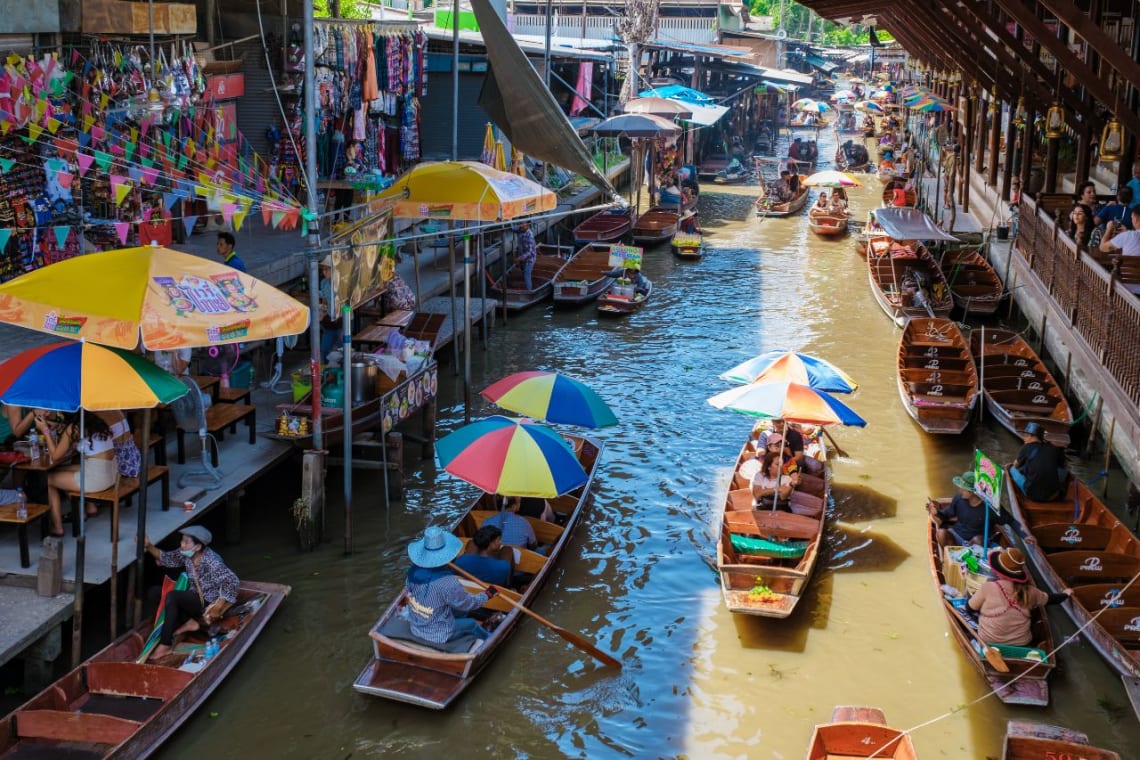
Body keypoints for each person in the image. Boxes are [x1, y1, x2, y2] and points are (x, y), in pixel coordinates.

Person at [143, 526, 239, 661]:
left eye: (186, 542)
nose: (182, 545)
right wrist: (148, 546)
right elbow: (167, 558)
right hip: (195, 597)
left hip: (207, 602)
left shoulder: (212, 561)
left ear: (198, 547)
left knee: (173, 596)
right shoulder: (186, 554)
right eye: (182, 541)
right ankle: (190, 622)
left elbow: (232, 581)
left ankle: (165, 645)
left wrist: (218, 606)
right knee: (154, 592)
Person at [404, 526, 495, 645]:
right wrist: (487, 595)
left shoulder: (412, 571)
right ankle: (490, 638)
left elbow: (409, 591)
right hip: (439, 634)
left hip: (416, 627)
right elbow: (469, 603)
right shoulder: (448, 583)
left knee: (459, 611)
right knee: (472, 623)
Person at [967, 547, 1071, 647]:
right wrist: (1066, 594)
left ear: (997, 571)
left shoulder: (988, 587)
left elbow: (970, 608)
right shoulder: (1031, 591)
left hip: (988, 641)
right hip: (1022, 643)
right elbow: (1052, 599)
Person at [38, 411, 118, 536]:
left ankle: (58, 527)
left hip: (97, 478)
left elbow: (55, 456)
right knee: (60, 470)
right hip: (111, 473)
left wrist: (45, 430)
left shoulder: (73, 428)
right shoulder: (96, 422)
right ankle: (88, 509)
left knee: (47, 479)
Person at [928, 471, 988, 547]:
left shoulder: (988, 508)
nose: (960, 490)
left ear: (972, 492)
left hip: (975, 542)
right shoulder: (959, 499)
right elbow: (946, 515)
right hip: (956, 536)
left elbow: (1006, 520)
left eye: (963, 489)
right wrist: (937, 513)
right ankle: (953, 553)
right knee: (941, 533)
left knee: (979, 540)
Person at [1010, 421, 1067, 502]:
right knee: (1062, 471)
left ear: (1033, 436)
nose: (1024, 438)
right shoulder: (1054, 448)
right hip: (1052, 496)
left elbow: (1015, 465)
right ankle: (1058, 490)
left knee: (1011, 469)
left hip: (1031, 494)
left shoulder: (1026, 447)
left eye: (1026, 435)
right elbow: (1063, 465)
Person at [318, 261, 342, 361]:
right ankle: (327, 372)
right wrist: (323, 312)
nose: (324, 272)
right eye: (323, 269)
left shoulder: (341, 283)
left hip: (341, 319)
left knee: (343, 349)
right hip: (329, 320)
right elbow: (324, 300)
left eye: (326, 269)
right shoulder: (323, 283)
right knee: (324, 349)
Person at [515, 221, 537, 291]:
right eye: (521, 224)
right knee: (524, 272)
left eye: (523, 224)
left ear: (527, 226)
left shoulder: (529, 235)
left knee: (527, 274)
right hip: (523, 257)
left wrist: (520, 258)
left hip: (530, 259)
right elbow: (513, 229)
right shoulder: (521, 230)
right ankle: (526, 287)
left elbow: (530, 252)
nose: (521, 225)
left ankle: (529, 291)